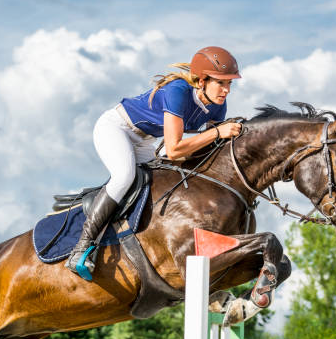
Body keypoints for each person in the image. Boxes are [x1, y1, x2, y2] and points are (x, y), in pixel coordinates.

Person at [66, 46, 243, 278]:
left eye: (230, 84)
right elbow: (174, 148)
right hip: (117, 128)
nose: (227, 90)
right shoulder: (178, 91)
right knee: (124, 177)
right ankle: (81, 248)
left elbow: (205, 149)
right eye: (221, 83)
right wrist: (218, 132)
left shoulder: (218, 107)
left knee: (162, 182)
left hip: (145, 141)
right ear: (202, 81)